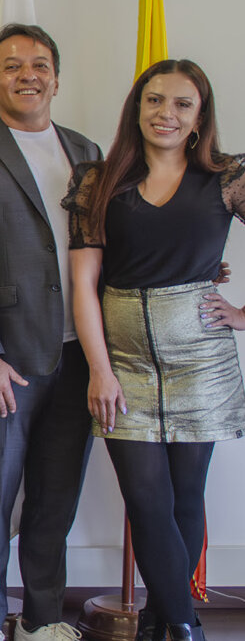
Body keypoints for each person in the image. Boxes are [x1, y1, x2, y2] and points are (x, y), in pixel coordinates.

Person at [65, 59, 245, 641]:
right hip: (124, 362)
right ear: (136, 107)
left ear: (200, 117)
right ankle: (182, 624)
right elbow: (84, 284)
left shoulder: (227, 177)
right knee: (145, 497)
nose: (165, 113)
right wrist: (99, 369)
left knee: (186, 496)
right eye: (154, 100)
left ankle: (164, 625)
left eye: (182, 104)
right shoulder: (99, 180)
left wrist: (243, 315)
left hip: (202, 359)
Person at [0, 24, 101, 641]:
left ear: (57, 78)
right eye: (11, 66)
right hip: (6, 357)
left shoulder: (89, 152)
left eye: (39, 64)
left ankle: (44, 617)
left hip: (79, 353)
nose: (27, 74)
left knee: (56, 496)